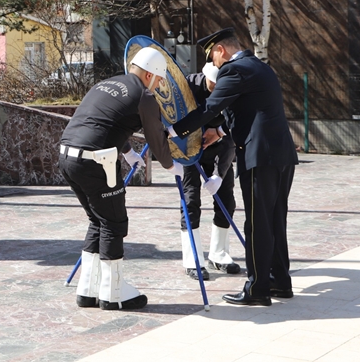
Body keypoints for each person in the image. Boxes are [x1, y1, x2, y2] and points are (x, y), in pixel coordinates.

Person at [171, 28, 297, 306]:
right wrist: (219, 132)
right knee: (275, 219)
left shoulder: (233, 70)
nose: (213, 64)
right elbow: (250, 111)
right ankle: (280, 281)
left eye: (212, 57)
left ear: (221, 50)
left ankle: (257, 288)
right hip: (281, 155)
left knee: (257, 223)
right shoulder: (260, 67)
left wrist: (173, 130)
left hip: (259, 157)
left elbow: (211, 108)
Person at [59, 47, 182, 311]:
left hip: (67, 157)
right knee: (114, 223)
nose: (158, 86)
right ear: (149, 74)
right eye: (159, 80)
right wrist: (172, 165)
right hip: (96, 161)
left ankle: (88, 290)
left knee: (98, 219)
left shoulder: (105, 84)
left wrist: (127, 152)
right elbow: (156, 138)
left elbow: (105, 121)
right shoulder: (144, 96)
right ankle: (113, 293)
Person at [180, 62, 239, 280]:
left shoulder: (231, 90)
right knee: (190, 202)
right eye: (214, 84)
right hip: (188, 148)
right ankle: (192, 259)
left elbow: (232, 133)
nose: (217, 88)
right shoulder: (187, 87)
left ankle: (219, 254)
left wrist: (219, 174)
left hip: (220, 146)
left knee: (227, 200)